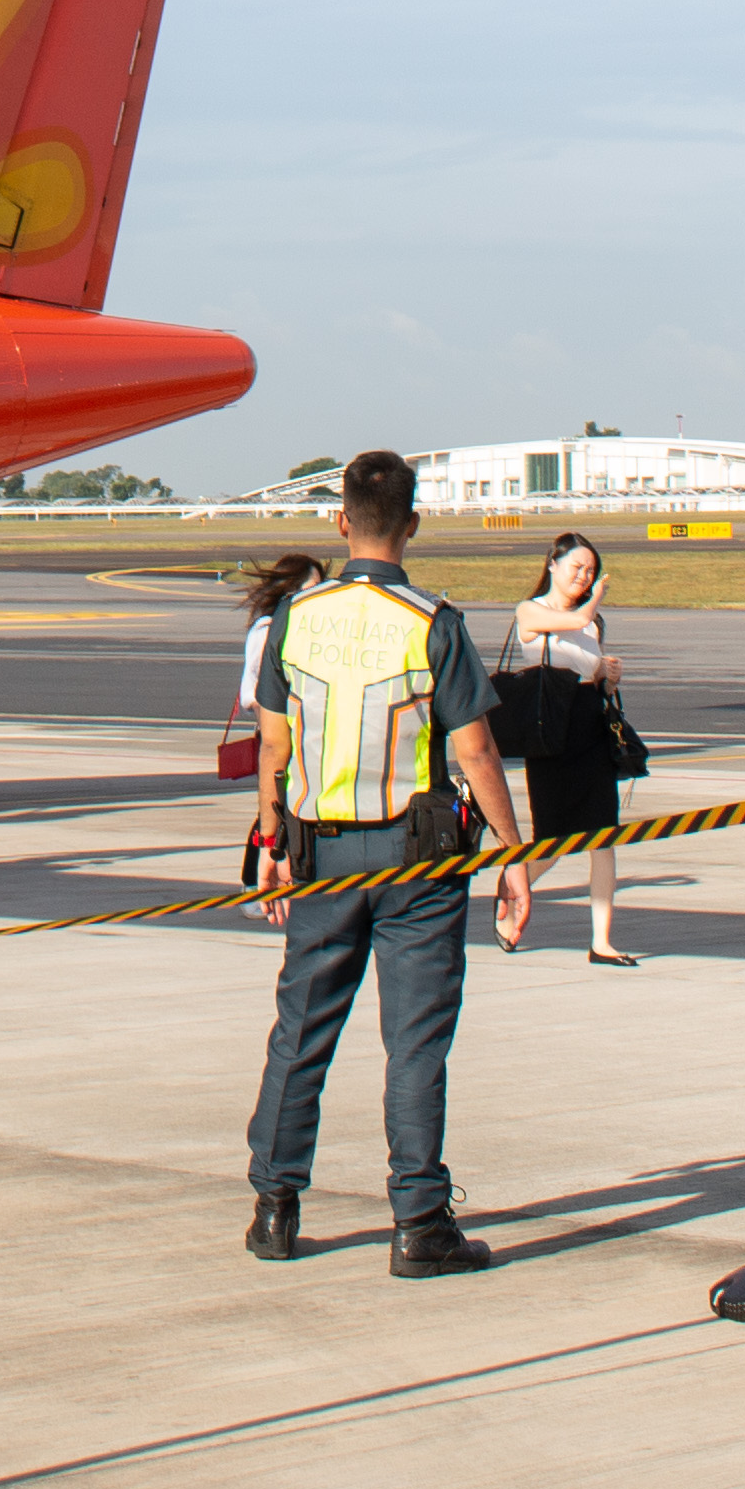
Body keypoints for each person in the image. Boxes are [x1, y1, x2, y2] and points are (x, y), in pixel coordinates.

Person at [242, 451, 536, 1274]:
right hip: (417, 867)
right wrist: (514, 859)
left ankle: (275, 1206)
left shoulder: (296, 618)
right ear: (411, 525)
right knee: (414, 1043)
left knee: (301, 1032)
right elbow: (475, 750)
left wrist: (271, 844)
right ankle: (419, 1222)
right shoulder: (433, 621)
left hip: (320, 857)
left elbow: (275, 743)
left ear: (341, 521)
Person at [497, 533, 637, 963]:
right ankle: (510, 891)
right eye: (577, 567)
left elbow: (590, 670)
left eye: (591, 571)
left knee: (603, 836)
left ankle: (601, 941)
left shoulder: (590, 622)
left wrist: (606, 673)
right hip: (550, 727)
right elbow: (573, 625)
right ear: (553, 564)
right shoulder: (531, 610)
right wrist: (593, 599)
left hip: (588, 723)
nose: (584, 577)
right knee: (554, 839)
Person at [229, 552, 322, 899]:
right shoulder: (267, 630)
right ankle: (253, 882)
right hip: (277, 731)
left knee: (298, 805)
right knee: (271, 810)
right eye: (310, 587)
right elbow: (249, 692)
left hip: (306, 732)